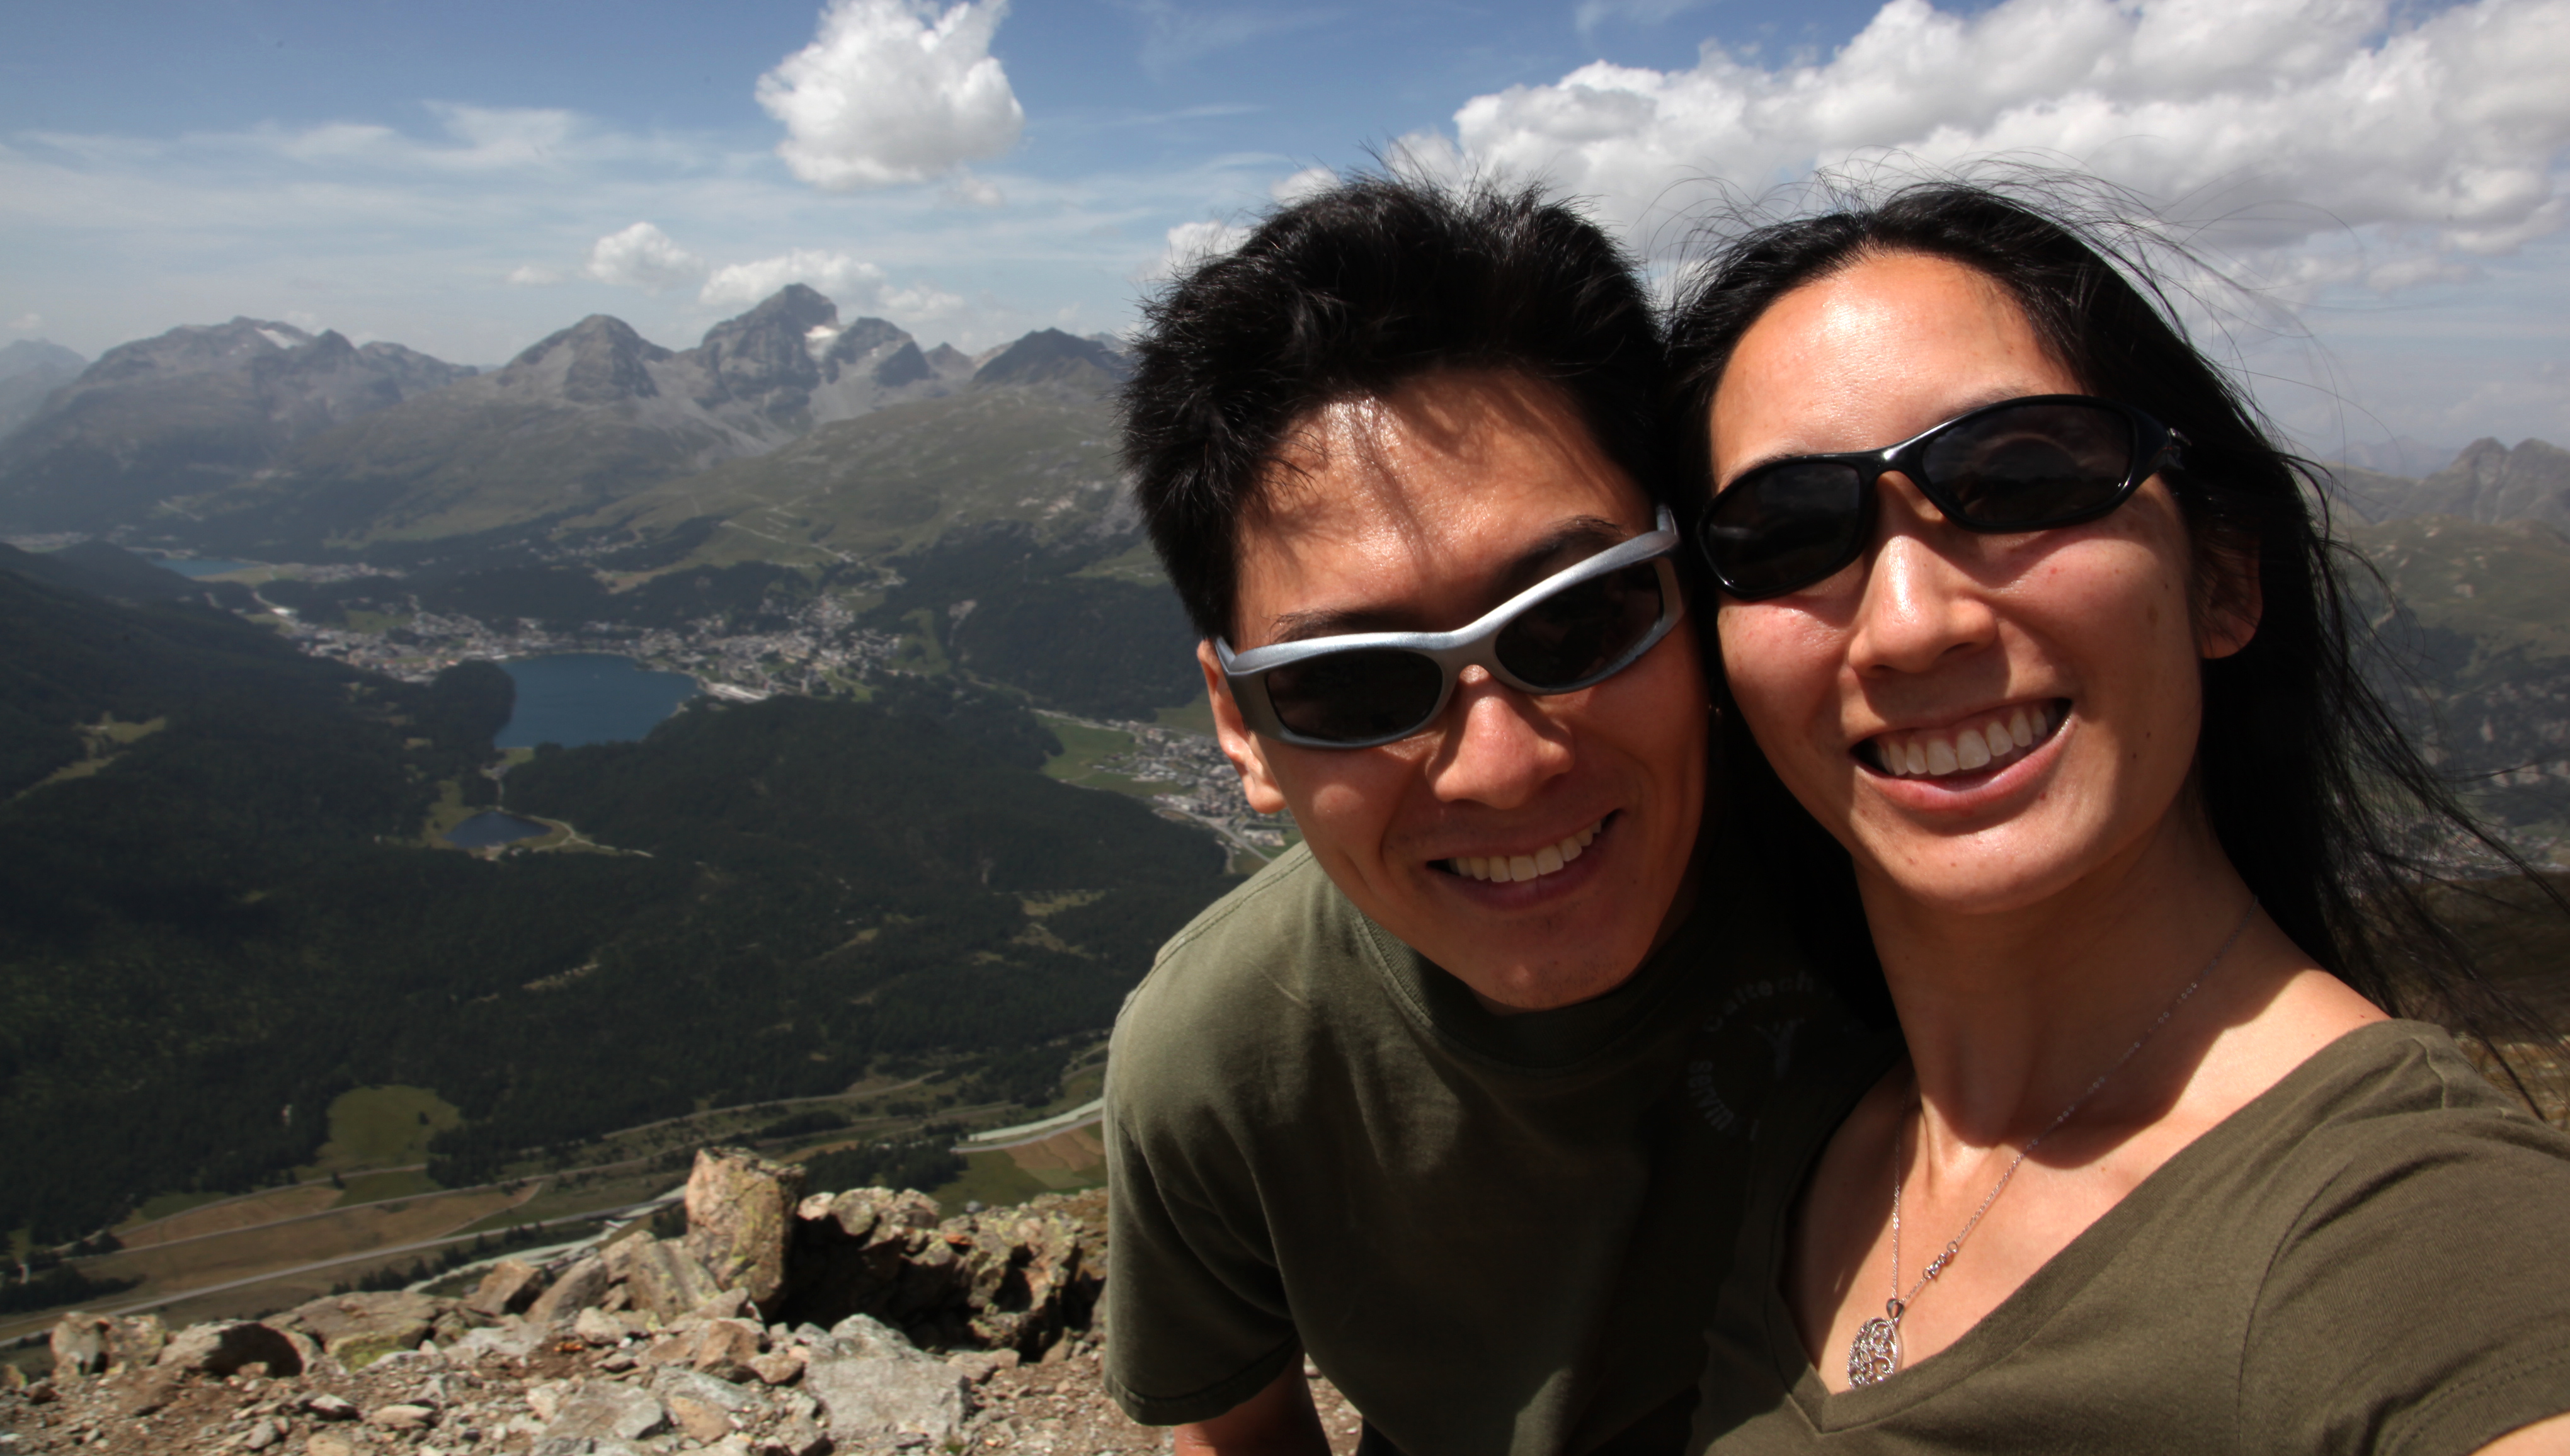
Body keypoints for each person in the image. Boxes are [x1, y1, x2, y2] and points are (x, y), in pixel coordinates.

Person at [1667, 180, 2570, 1453]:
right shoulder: (1806, 1129)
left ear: (2225, 578)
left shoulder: (2412, 1232)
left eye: (2023, 477)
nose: (1912, 623)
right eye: (1783, 533)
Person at [1102, 175, 1877, 1456]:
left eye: (1579, 617)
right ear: (1237, 724)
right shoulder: (1221, 1061)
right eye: (1352, 684)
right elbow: (1236, 1437)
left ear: (1692, 589)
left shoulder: (1887, 871)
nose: (1501, 767)